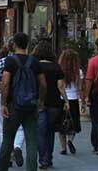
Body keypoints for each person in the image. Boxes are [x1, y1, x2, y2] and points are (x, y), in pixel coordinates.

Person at [0, 32, 46, 171]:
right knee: (31, 140)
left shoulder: (10, 61)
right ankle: (31, 168)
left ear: (14, 44)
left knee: (8, 139)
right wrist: (40, 100)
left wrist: (4, 103)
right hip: (31, 106)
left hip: (13, 106)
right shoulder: (34, 61)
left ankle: (2, 167)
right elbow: (43, 84)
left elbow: (5, 83)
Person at [0, 38, 26, 168]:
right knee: (21, 127)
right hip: (24, 97)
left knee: (5, 130)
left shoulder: (1, 62)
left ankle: (7, 158)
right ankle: (17, 147)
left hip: (6, 97)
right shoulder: (29, 61)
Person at [32, 40, 69, 170]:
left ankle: (43, 160)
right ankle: (49, 157)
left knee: (40, 132)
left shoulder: (34, 66)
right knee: (50, 132)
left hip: (39, 102)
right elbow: (61, 86)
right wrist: (66, 101)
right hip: (54, 103)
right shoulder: (56, 67)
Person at [58, 49, 85, 155]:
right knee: (73, 123)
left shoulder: (59, 70)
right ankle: (70, 140)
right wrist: (82, 101)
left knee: (61, 124)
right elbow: (80, 88)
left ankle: (63, 148)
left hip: (62, 99)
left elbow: (59, 86)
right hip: (74, 99)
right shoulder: (78, 72)